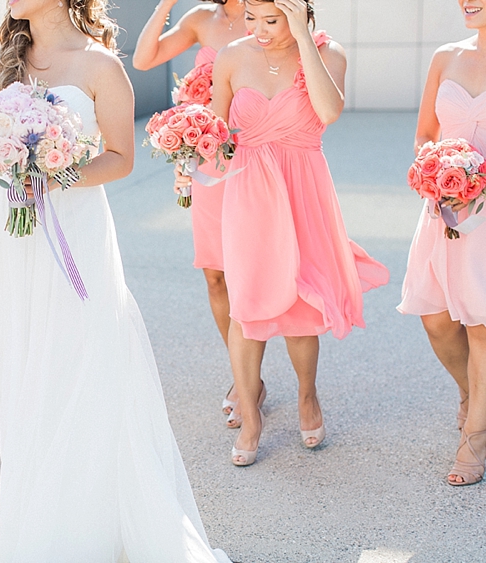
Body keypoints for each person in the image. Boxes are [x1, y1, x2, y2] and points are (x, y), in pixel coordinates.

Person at [0, 1, 231, 560]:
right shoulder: (4, 58)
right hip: (12, 235)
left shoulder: (100, 66)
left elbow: (120, 157)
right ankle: (41, 517)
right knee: (28, 364)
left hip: (75, 229)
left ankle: (95, 521)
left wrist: (55, 173)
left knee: (84, 358)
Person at [203, 0, 388, 466]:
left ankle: (308, 396)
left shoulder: (330, 54)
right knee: (247, 305)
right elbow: (216, 133)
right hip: (247, 193)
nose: (260, 31)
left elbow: (328, 112)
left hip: (303, 189)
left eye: (273, 20)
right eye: (252, 19)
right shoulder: (231, 57)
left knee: (301, 304)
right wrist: (189, 157)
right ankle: (251, 415)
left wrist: (304, 41)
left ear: (302, 14)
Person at [134, 0, 249, 427]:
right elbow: (145, 59)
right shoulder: (202, 19)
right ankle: (245, 377)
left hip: (258, 156)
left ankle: (261, 372)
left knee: (254, 273)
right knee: (216, 274)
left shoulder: (268, 15)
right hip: (211, 160)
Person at [398, 0, 486, 486]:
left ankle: (475, 439)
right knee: (436, 321)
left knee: (481, 327)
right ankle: (473, 394)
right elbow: (424, 135)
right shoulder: (445, 56)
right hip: (443, 209)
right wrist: (441, 171)